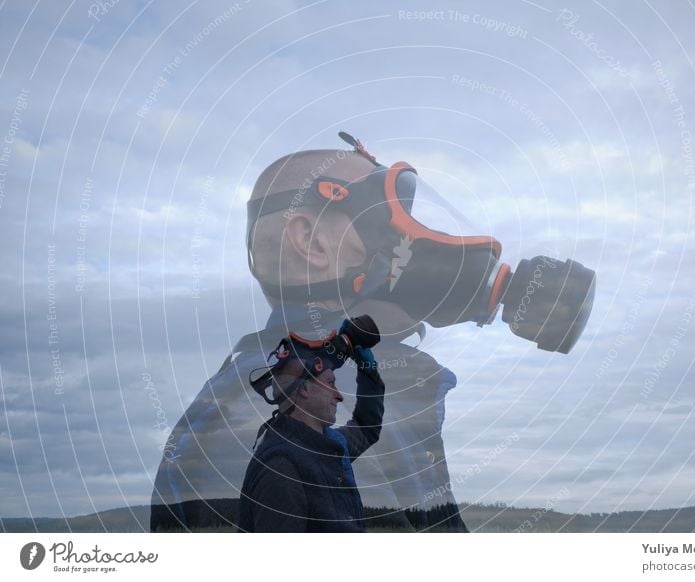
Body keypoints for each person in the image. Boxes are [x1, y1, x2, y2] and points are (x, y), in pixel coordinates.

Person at [149, 132, 594, 532]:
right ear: (314, 245)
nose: (423, 238)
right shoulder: (293, 410)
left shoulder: (346, 388)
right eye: (388, 216)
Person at [238, 321, 385, 532]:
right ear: (305, 389)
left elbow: (366, 427)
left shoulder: (330, 444)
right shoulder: (281, 468)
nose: (339, 395)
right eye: (330, 382)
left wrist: (369, 373)